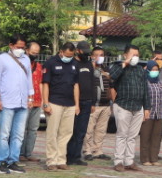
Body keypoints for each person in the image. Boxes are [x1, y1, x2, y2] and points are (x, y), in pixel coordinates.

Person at [0, 36, 32, 174]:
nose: (20, 50)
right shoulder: (2, 59)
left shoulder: (26, 59)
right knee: (5, 134)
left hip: (22, 102)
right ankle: (1, 161)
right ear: (11, 45)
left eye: (22, 47)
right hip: (7, 102)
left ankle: (13, 160)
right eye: (18, 47)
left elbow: (29, 79)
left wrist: (30, 97)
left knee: (19, 135)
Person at [42, 41, 80, 170]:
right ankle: (51, 161)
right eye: (67, 55)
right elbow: (45, 84)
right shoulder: (51, 63)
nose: (69, 58)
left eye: (71, 56)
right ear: (61, 52)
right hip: (54, 102)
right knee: (52, 133)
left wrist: (77, 104)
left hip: (69, 104)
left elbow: (76, 85)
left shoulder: (75, 64)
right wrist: (46, 103)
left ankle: (61, 159)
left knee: (66, 133)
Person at [110, 44, 148, 172]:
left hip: (138, 107)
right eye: (133, 55)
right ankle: (118, 161)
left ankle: (129, 161)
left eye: (137, 55)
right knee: (122, 135)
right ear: (125, 55)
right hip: (123, 106)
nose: (135, 57)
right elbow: (112, 76)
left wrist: (147, 108)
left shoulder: (140, 70)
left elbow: (145, 89)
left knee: (132, 136)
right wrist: (124, 63)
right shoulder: (118, 66)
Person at [83, 47, 114, 162]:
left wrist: (108, 77)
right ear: (92, 56)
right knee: (89, 129)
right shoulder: (88, 69)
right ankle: (87, 150)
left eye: (101, 55)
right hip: (93, 104)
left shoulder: (106, 69)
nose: (99, 57)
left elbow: (112, 84)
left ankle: (98, 150)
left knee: (101, 130)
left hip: (105, 104)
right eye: (96, 55)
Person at [139, 59, 162, 165]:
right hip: (148, 114)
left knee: (156, 137)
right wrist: (143, 112)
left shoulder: (160, 82)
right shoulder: (144, 82)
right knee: (145, 136)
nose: (155, 71)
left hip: (159, 113)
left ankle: (154, 158)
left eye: (156, 69)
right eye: (153, 69)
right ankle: (145, 159)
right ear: (147, 70)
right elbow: (142, 98)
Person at [20, 41, 45, 161]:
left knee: (33, 129)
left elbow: (40, 83)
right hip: (24, 102)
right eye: (33, 52)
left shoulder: (39, 67)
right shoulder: (20, 65)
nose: (34, 55)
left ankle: (28, 153)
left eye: (37, 53)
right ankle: (19, 153)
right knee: (22, 129)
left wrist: (42, 100)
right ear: (27, 51)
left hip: (36, 101)